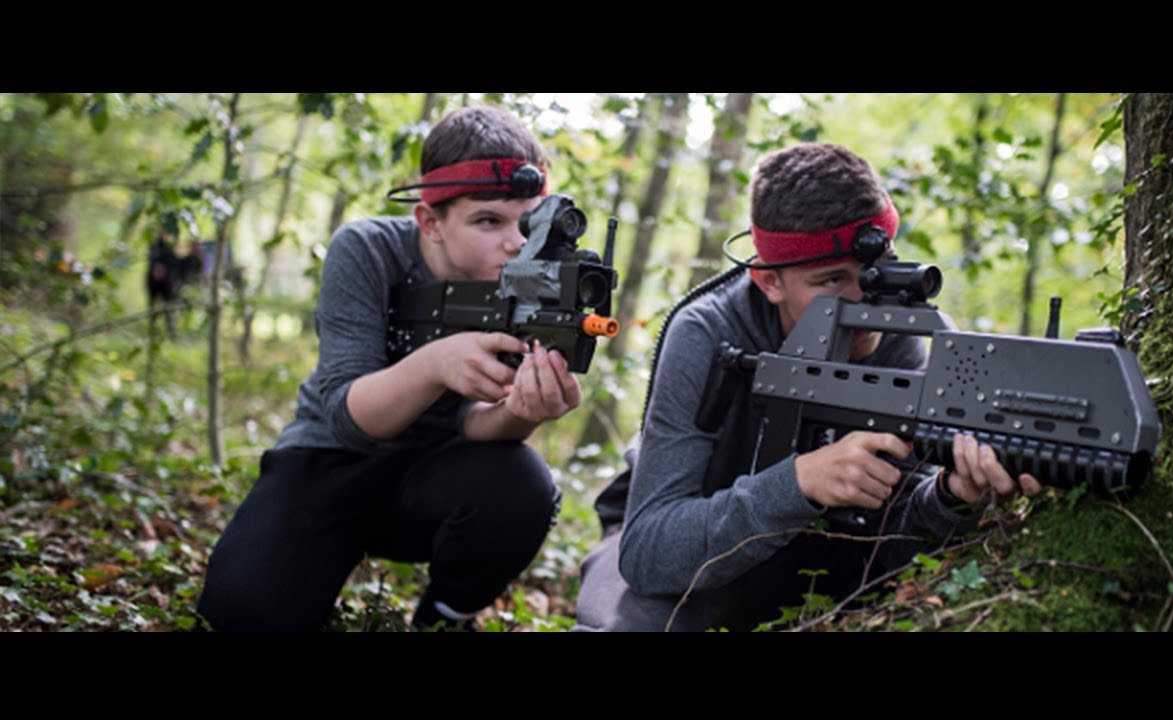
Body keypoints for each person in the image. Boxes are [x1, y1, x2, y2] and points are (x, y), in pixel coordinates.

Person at [574, 142, 1042, 632]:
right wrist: (799, 484)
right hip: (685, 540)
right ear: (769, 282)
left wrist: (949, 496)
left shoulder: (899, 337)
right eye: (832, 281)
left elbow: (891, 550)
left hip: (814, 555)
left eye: (875, 272)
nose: (864, 303)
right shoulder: (708, 331)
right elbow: (650, 552)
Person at [197, 106, 580, 631]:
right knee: (241, 617)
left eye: (528, 221)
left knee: (523, 484)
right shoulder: (368, 250)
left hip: (435, 476)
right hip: (329, 464)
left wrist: (523, 410)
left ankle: (445, 618)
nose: (516, 242)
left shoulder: (529, 277)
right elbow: (347, 419)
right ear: (431, 222)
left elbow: (475, 424)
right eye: (488, 221)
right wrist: (435, 364)